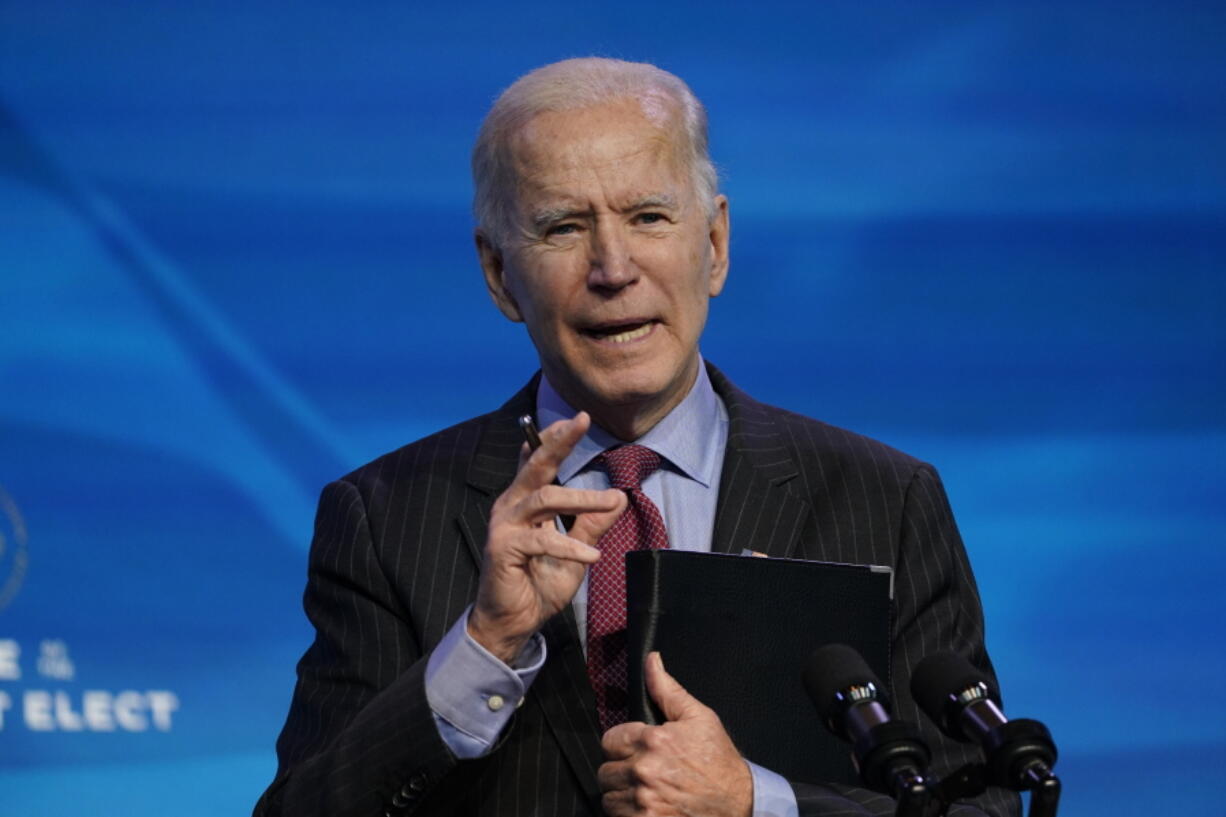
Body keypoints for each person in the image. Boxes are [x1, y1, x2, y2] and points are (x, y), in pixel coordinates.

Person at [255, 57, 1019, 817]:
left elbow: (980, 809)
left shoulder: (885, 499)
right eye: (563, 227)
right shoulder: (384, 517)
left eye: (649, 217)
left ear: (714, 244)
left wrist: (759, 803)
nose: (613, 268)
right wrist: (485, 644)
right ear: (497, 273)